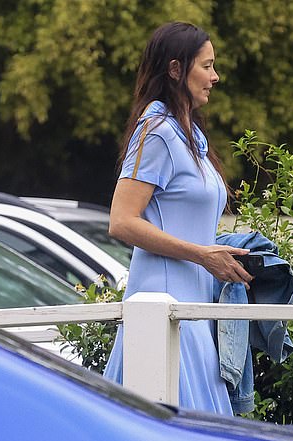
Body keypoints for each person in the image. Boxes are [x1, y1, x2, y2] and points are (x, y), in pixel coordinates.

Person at [103, 22, 254, 415]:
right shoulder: (157, 131)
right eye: (207, 66)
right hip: (164, 304)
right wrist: (203, 255)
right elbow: (121, 221)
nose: (215, 77)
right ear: (175, 70)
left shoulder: (188, 134)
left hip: (191, 307)